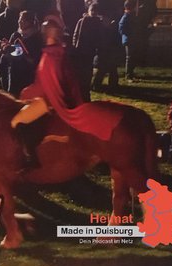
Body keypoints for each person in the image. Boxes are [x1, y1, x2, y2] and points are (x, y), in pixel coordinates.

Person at [11, 19, 123, 167]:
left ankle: (29, 157)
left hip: (48, 101)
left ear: (47, 35)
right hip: (59, 97)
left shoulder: (50, 57)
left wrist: (26, 93)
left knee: (16, 121)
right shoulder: (60, 53)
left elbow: (45, 86)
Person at [0, 10, 43, 97]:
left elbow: (30, 56)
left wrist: (12, 49)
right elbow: (12, 52)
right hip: (14, 73)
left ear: (30, 22)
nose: (19, 22)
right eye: (19, 20)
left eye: (22, 20)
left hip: (28, 75)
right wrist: (5, 48)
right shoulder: (16, 35)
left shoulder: (36, 38)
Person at [73, 3, 101, 102]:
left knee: (87, 74)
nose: (93, 12)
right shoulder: (82, 21)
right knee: (80, 74)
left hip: (90, 52)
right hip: (81, 52)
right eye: (92, 10)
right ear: (88, 10)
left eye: (95, 10)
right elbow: (76, 35)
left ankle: (85, 95)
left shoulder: (98, 23)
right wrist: (75, 47)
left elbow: (98, 38)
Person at [118, 0, 138, 82]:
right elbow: (121, 29)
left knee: (132, 57)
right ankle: (128, 75)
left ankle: (130, 74)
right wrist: (129, 33)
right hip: (129, 39)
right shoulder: (126, 16)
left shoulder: (129, 16)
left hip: (130, 39)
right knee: (129, 58)